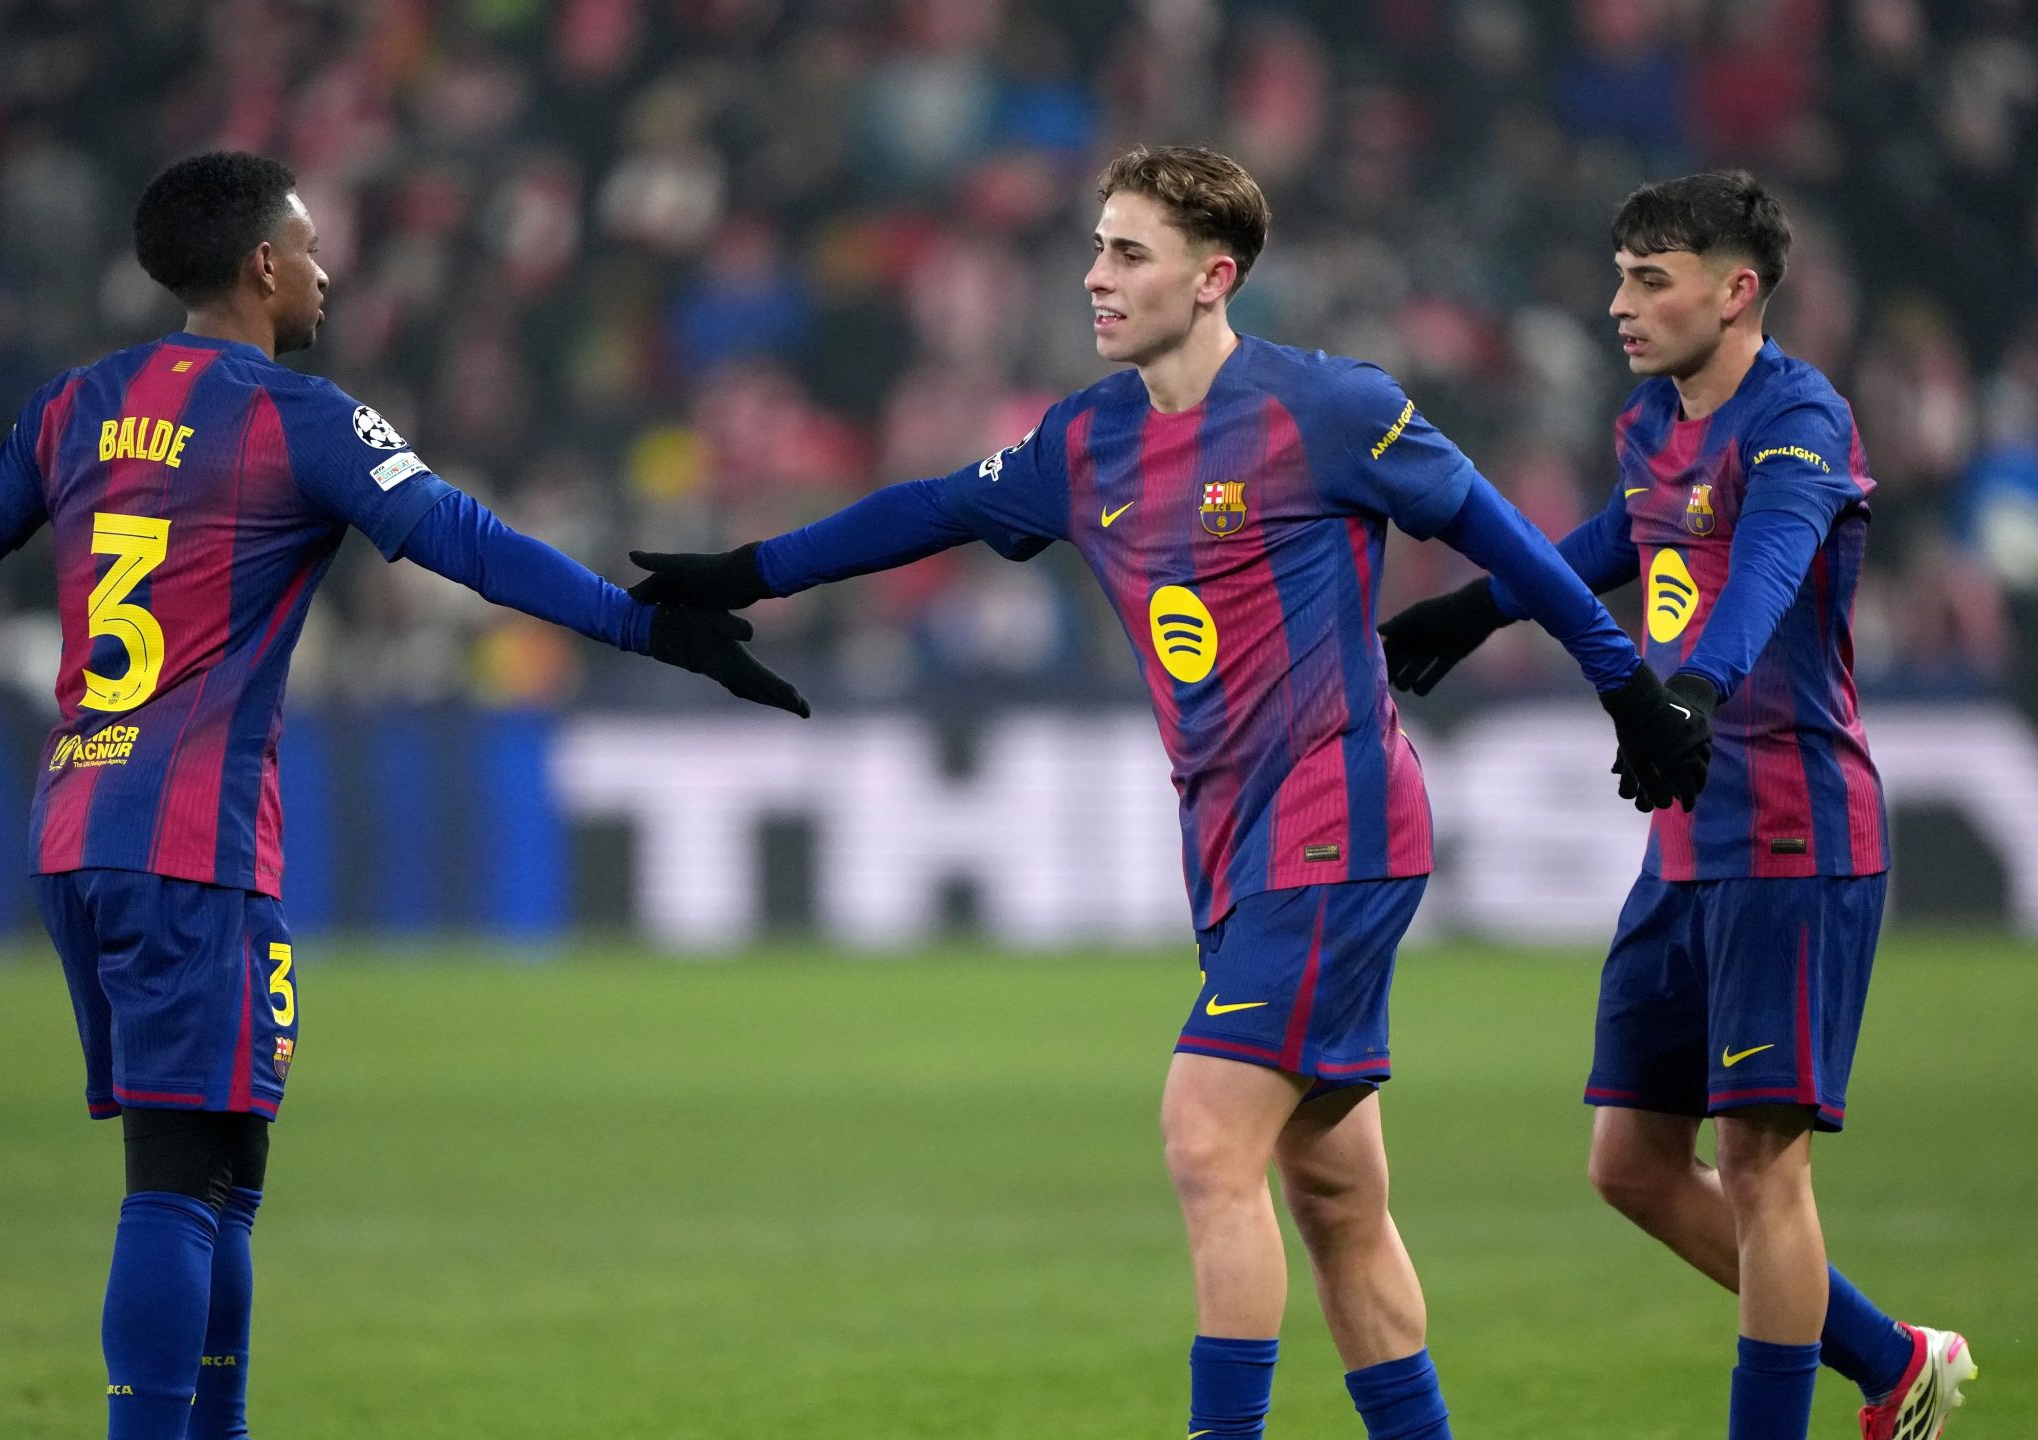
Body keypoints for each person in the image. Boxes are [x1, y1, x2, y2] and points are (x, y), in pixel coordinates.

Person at [625, 144, 1709, 1440]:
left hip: (1339, 819)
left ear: (1212, 276)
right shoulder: (1087, 441)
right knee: (1335, 1198)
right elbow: (928, 509)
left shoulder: (1330, 408)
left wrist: (1627, 687)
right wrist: (745, 573)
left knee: (1205, 1136)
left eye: (1127, 252)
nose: (1095, 275)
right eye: (1096, 248)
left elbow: (1509, 542)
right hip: (1232, 844)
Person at [0, 150, 806, 1440]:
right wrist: (645, 627)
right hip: (188, 843)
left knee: (223, 1174)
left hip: (79, 825)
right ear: (261, 265)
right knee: (179, 1181)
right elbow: (467, 542)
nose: (324, 271)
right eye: (307, 248)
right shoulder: (297, 418)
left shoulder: (79, 405)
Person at [1377, 171, 1975, 1440]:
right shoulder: (1653, 418)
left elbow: (1770, 561)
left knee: (1762, 1165)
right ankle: (1892, 1361)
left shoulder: (1800, 417)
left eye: (1651, 280)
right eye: (1620, 276)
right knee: (1632, 1164)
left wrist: (1694, 691)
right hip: (1687, 836)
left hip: (1791, 831)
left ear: (1736, 290)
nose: (1620, 304)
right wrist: (1478, 607)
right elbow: (1620, 536)